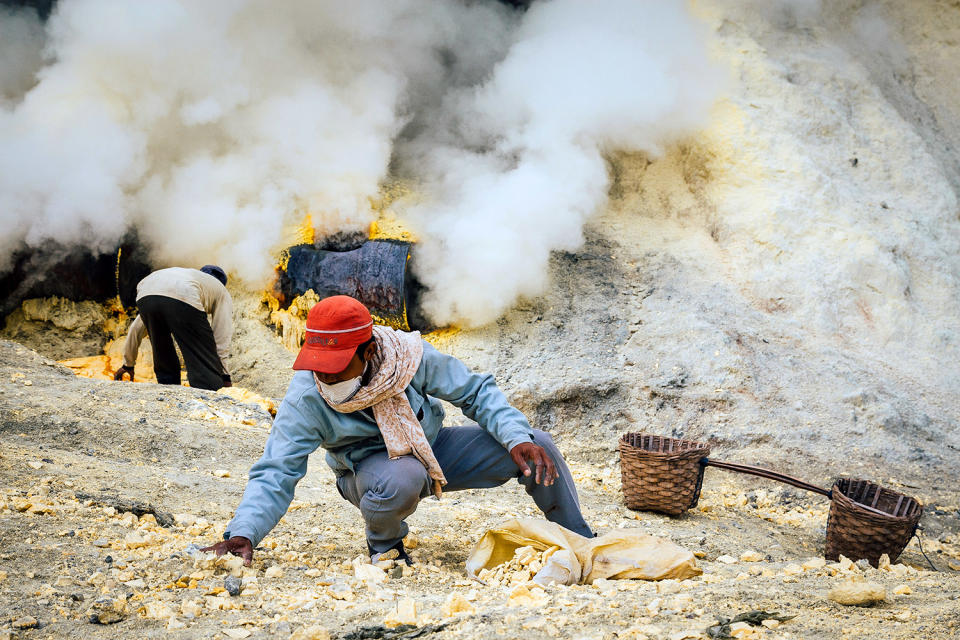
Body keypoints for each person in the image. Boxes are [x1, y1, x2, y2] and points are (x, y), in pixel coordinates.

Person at [203, 295, 592, 566]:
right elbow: (277, 469)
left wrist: (516, 437)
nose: (325, 375)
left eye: (337, 366)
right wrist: (245, 532)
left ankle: (579, 540)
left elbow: (474, 391)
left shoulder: (407, 356)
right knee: (405, 473)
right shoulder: (308, 396)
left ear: (369, 352)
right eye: (318, 364)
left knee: (537, 442)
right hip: (368, 472)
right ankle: (385, 547)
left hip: (430, 447)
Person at [114, 265, 233, 391]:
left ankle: (168, 387)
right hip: (185, 293)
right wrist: (225, 376)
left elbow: (135, 329)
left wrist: (128, 364)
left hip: (146, 291)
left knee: (159, 341)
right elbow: (221, 338)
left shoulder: (188, 276)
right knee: (201, 351)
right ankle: (208, 390)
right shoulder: (221, 290)